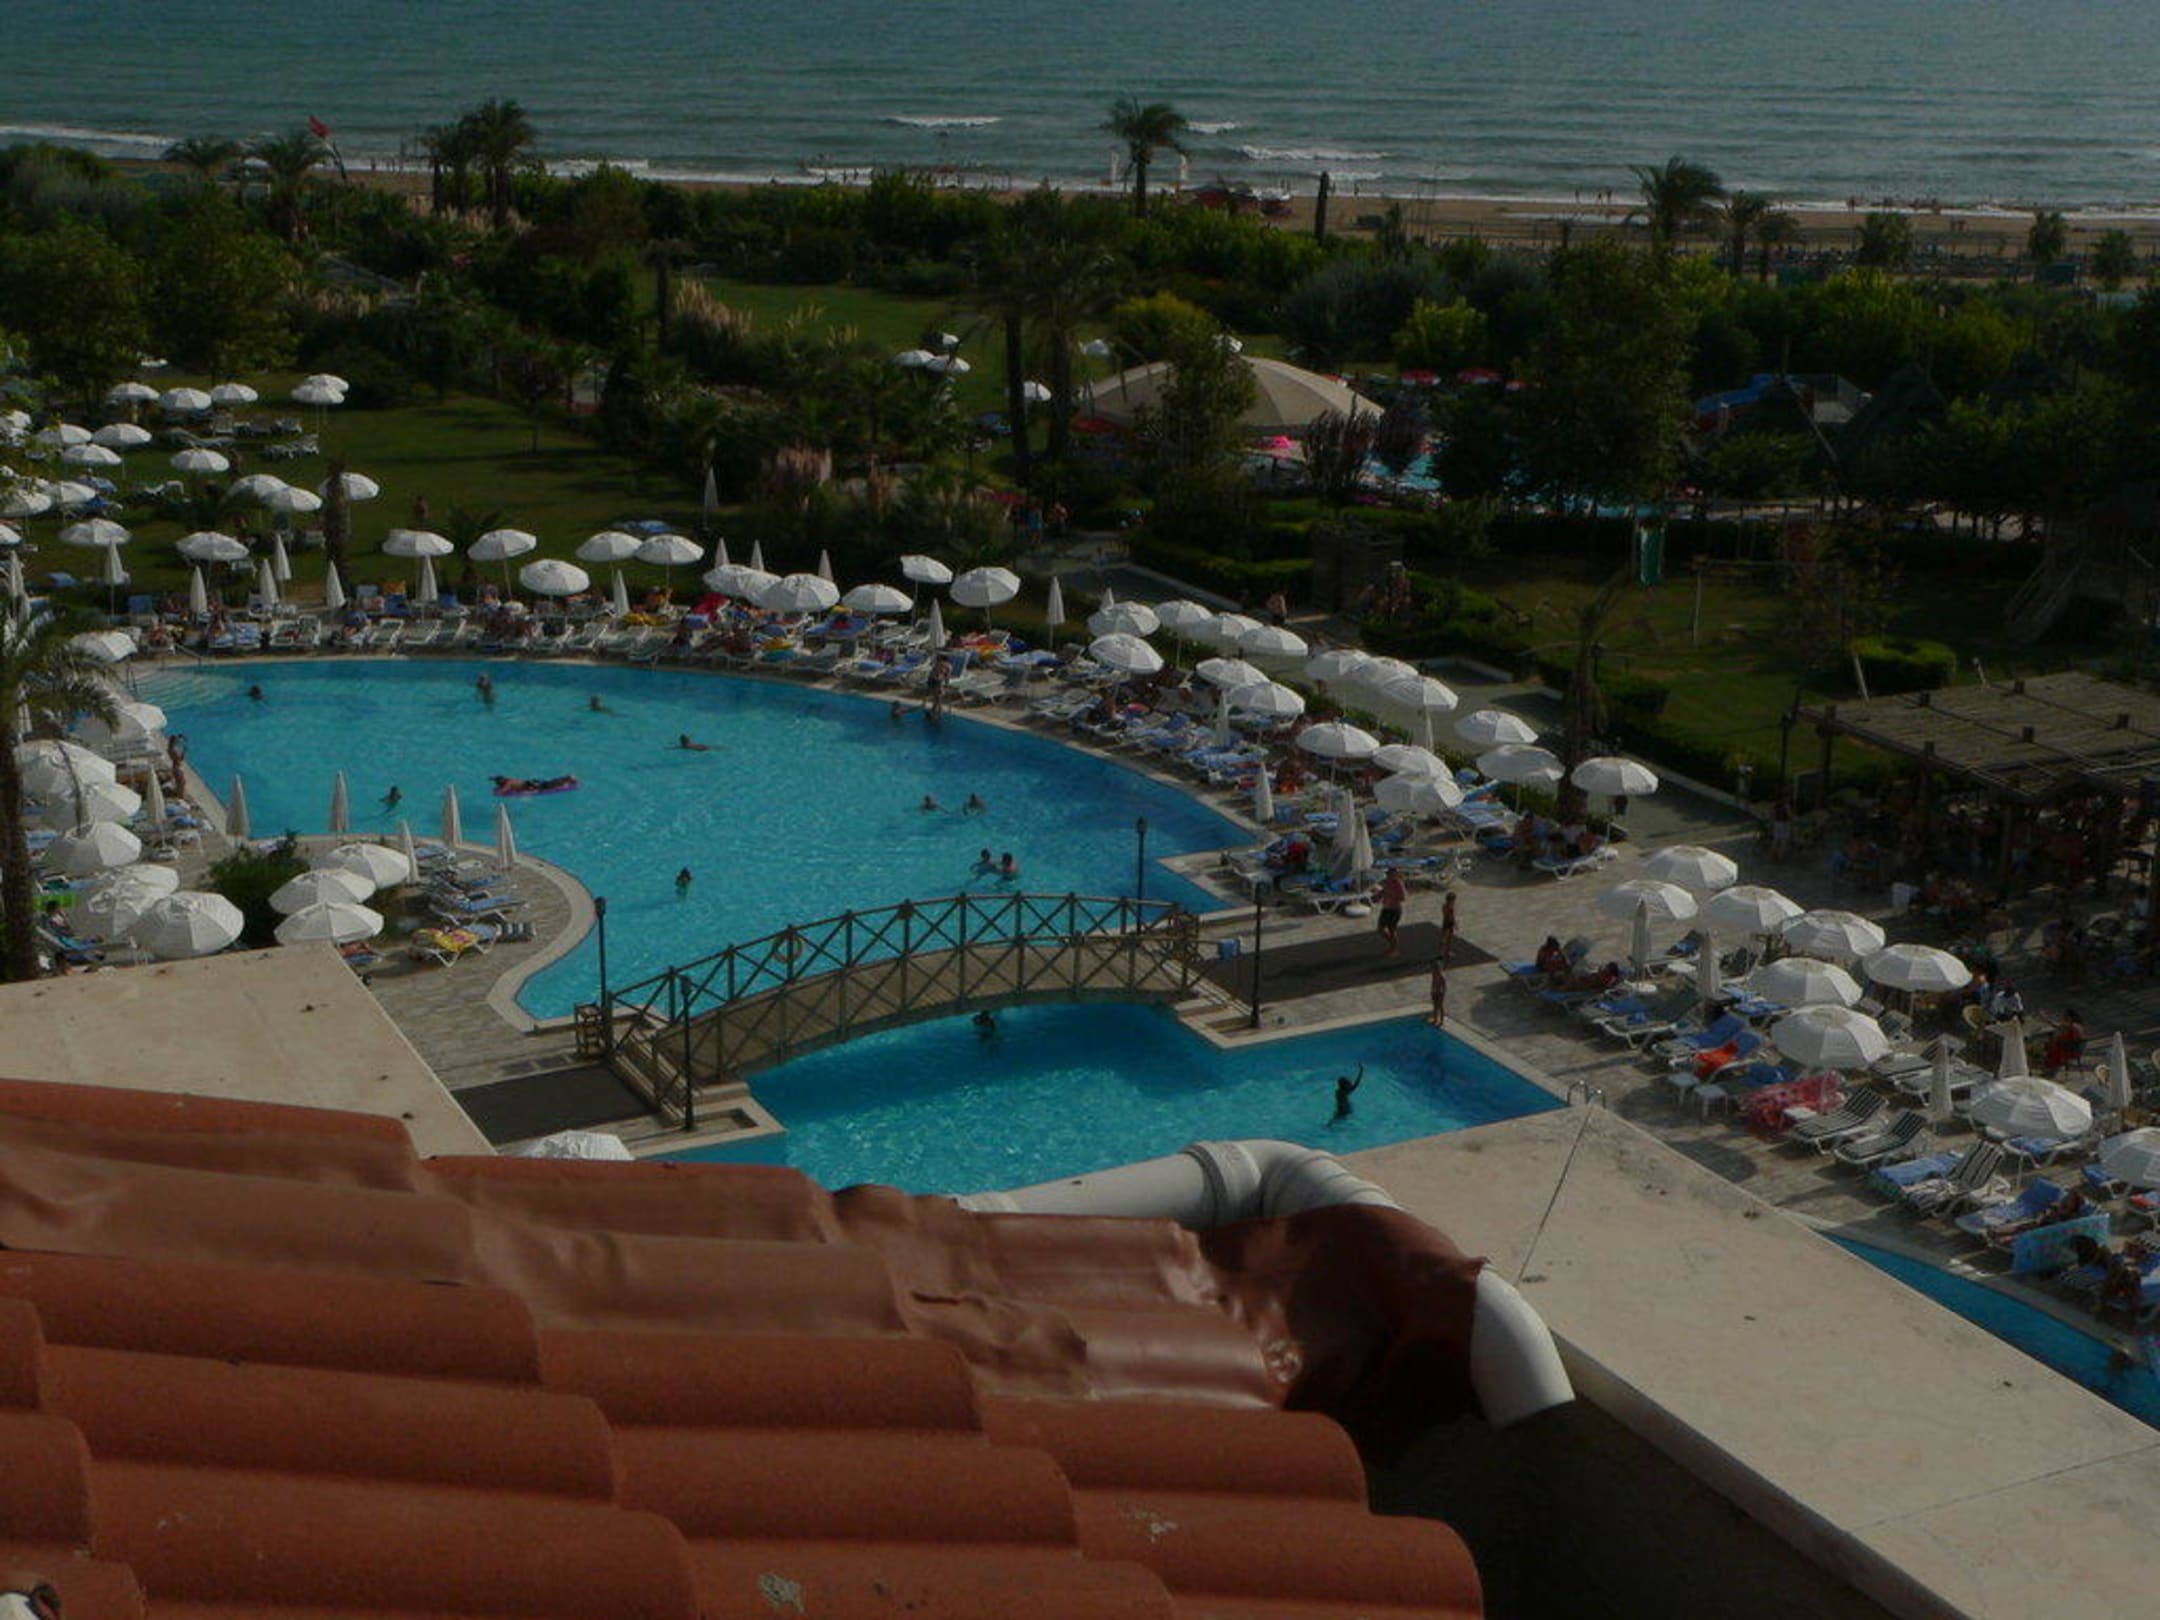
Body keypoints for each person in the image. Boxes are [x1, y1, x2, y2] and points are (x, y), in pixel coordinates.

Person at [1375, 867, 1408, 955]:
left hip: (1395, 909)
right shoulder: (1387, 882)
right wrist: (1378, 896)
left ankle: (1393, 948)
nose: (1388, 876)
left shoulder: (1399, 884)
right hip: (1386, 908)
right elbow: (1383, 891)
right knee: (1380, 929)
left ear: (1395, 875)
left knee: (1392, 929)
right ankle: (1392, 943)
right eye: (1388, 874)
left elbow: (1403, 898)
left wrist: (1391, 894)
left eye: (1390, 874)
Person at [1438, 891, 1458, 965]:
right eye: (1453, 900)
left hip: (1450, 923)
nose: (1454, 902)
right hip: (1446, 923)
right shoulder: (1446, 906)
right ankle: (1441, 952)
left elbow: (1453, 916)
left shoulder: (1451, 906)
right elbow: (1447, 915)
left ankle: (1448, 951)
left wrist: (1455, 924)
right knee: (1444, 938)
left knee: (1450, 938)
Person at [1428, 961, 1448, 1027]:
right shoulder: (1434, 974)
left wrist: (1442, 994)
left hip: (1440, 993)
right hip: (1435, 992)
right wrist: (1432, 990)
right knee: (1435, 1006)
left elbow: (1444, 987)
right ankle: (1435, 1019)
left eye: (1436, 969)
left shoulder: (1442, 976)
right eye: (1434, 969)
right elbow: (1433, 983)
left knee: (1440, 1006)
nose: (1435, 970)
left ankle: (1441, 1021)